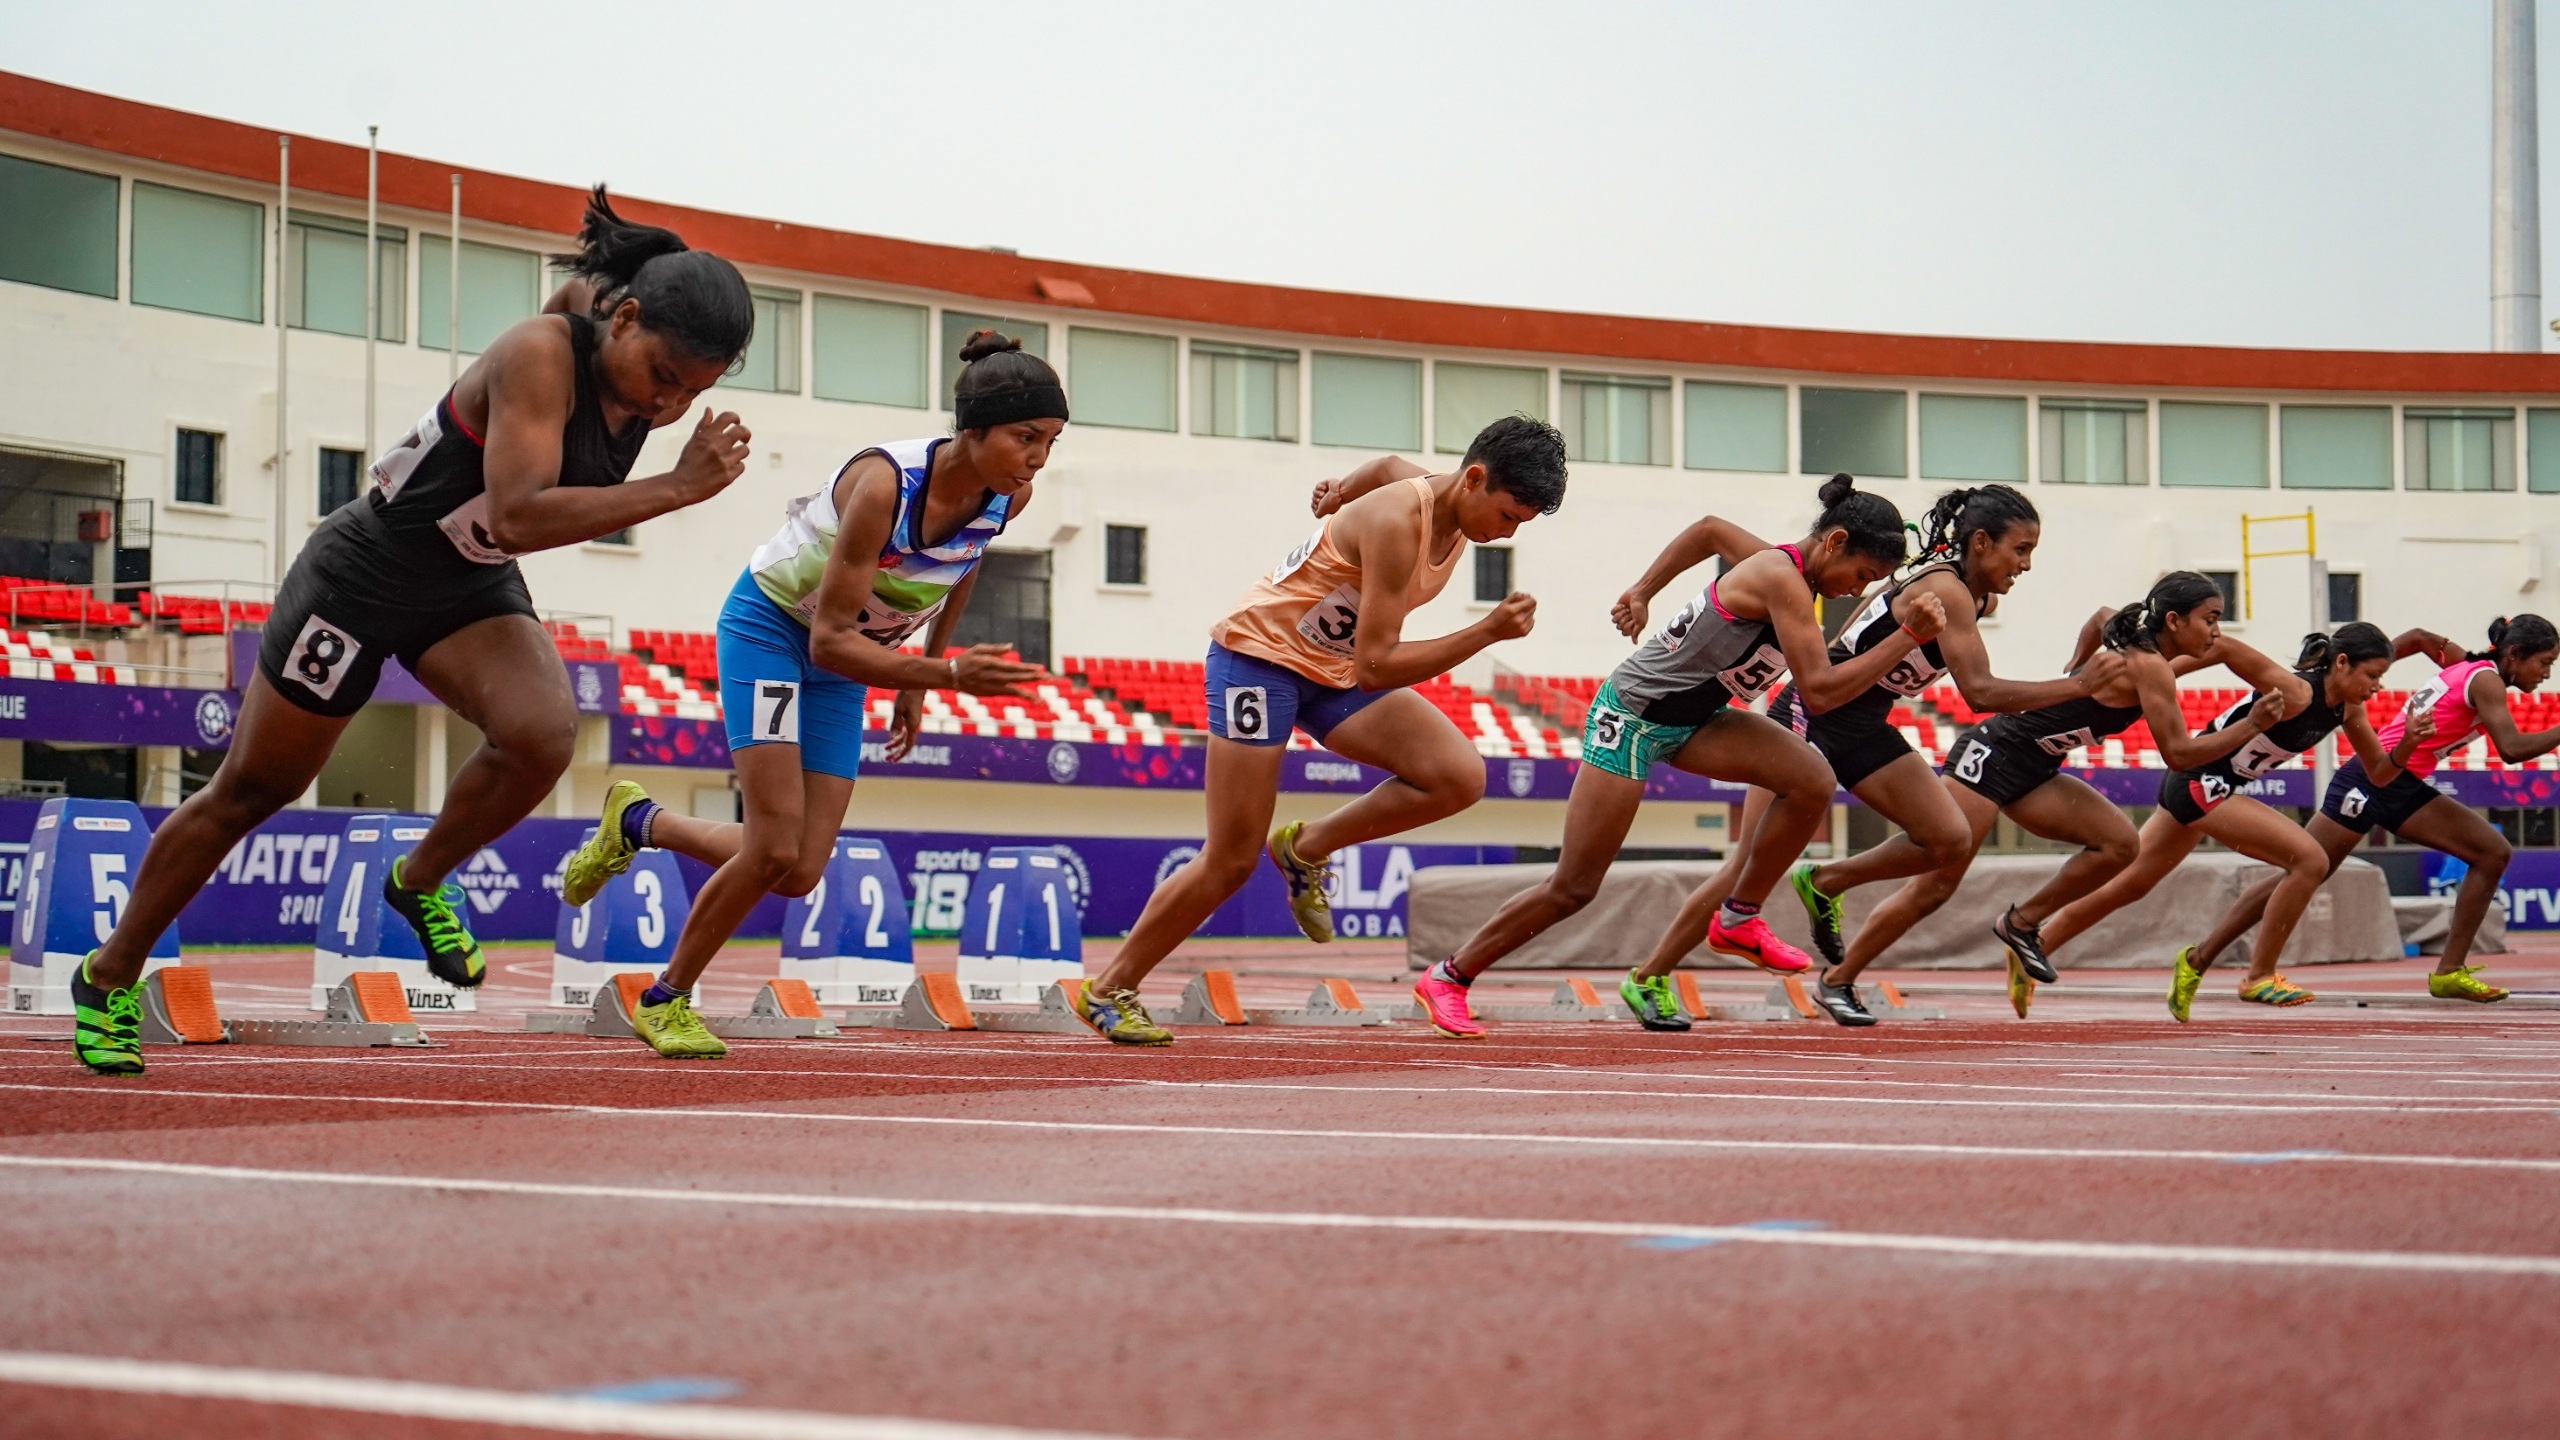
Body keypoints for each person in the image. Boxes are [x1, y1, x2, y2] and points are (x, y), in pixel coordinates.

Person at [70, 188, 755, 1076]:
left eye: (693, 391)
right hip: (362, 576)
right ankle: (110, 972)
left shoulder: (610, 317)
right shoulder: (541, 360)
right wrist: (677, 487)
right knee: (251, 790)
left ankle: (419, 878)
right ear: (623, 322)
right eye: (663, 376)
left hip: (461, 588)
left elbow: (577, 299)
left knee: (541, 734)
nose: (668, 406)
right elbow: (514, 515)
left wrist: (661, 418)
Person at [557, 332, 1058, 1057]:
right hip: (777, 633)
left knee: (799, 869)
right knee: (769, 849)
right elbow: (825, 639)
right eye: (1026, 438)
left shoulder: (1008, 495)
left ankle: (640, 821)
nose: (1039, 458)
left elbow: (962, 561)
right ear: (973, 430)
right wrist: (944, 678)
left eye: (1051, 442)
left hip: (856, 658)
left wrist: (924, 666)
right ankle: (666, 997)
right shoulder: (886, 484)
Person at [1070, 417, 1570, 1046]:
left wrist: (1338, 491)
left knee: (1458, 776)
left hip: (1326, 670)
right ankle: (1110, 987)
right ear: (1473, 478)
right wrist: (1486, 633)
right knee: (1228, 858)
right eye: (1507, 515)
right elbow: (1377, 666)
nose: (1505, 535)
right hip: (1260, 662)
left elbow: (1388, 464)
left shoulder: (1440, 497)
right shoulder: (1396, 526)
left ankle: (1306, 847)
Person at [1411, 474, 1944, 1040]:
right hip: (1633, 719)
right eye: (1861, 575)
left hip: (1695, 719)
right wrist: (1907, 634)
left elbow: (1709, 529)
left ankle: (1738, 918)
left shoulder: (1780, 565)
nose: (1852, 590)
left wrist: (1644, 590)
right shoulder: (1783, 581)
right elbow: (1819, 692)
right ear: (1835, 542)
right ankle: (1449, 976)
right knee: (1573, 888)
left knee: (1810, 778)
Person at [1624, 484, 2122, 1029]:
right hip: (1813, 714)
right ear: (1980, 542)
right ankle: (1648, 975)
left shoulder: (1978, 597)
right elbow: (1980, 693)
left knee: (1947, 838)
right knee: (1748, 865)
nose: (2026, 565)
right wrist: (2077, 687)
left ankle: (1826, 881)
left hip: (1862, 722)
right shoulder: (1949, 592)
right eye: (2020, 550)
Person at [1806, 571, 2286, 1019]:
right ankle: (1836, 960)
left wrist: (2078, 662)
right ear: (2175, 622)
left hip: (2036, 769)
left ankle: (2021, 922)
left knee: (2120, 844)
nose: (2216, 634)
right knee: (1934, 885)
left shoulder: (2137, 645)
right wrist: (2252, 724)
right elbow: (2180, 755)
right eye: (2211, 620)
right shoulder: (2151, 669)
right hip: (1993, 756)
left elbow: (2100, 616)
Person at [2032, 622, 2457, 1017]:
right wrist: (2157, 677)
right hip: (2200, 781)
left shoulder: (2347, 711)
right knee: (2310, 861)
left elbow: (2381, 772)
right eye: (2373, 675)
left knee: (2131, 884)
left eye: (2382, 678)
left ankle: (2033, 945)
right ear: (2341, 663)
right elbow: (2226, 646)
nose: (2377, 687)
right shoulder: (2295, 691)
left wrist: (2407, 743)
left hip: (2204, 787)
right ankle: (2258, 976)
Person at [2186, 615, 2560, 1006]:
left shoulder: (2465, 663)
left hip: (2401, 781)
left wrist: (2371, 673)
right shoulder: (2486, 679)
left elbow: (2417, 636)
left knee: (2491, 852)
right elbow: (2511, 749)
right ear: (2514, 654)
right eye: (2545, 662)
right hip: (2368, 780)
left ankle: (2450, 972)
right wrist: (2356, 678)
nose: (2547, 674)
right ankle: (2201, 958)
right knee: (2306, 869)